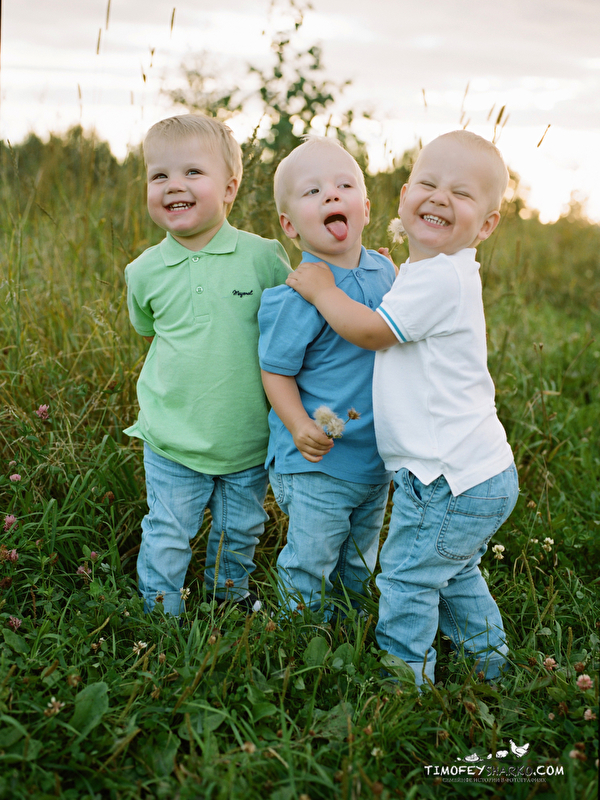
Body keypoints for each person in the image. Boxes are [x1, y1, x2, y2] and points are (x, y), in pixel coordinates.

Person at [285, 130, 519, 685]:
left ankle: (403, 684)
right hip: (479, 472)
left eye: (461, 193)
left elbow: (371, 331)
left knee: (407, 579)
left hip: (444, 478)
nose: (440, 197)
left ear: (486, 225)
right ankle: (491, 667)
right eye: (428, 184)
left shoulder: (440, 278)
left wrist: (322, 290)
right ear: (403, 197)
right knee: (453, 572)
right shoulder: (430, 271)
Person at [124, 114, 291, 616]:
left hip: (245, 437)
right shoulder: (144, 271)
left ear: (230, 188)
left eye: (193, 172)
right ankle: (160, 612)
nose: (174, 185)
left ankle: (227, 596)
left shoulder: (263, 258)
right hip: (172, 435)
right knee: (169, 529)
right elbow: (149, 329)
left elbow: (292, 324)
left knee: (240, 528)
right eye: (159, 175)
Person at [258, 137, 395, 617]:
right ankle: (297, 634)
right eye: (313, 191)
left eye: (344, 186)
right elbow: (275, 371)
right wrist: (298, 424)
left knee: (359, 557)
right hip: (317, 459)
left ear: (365, 208)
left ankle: (348, 628)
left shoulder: (386, 272)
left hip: (374, 456)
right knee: (312, 560)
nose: (331, 195)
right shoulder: (298, 293)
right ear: (289, 225)